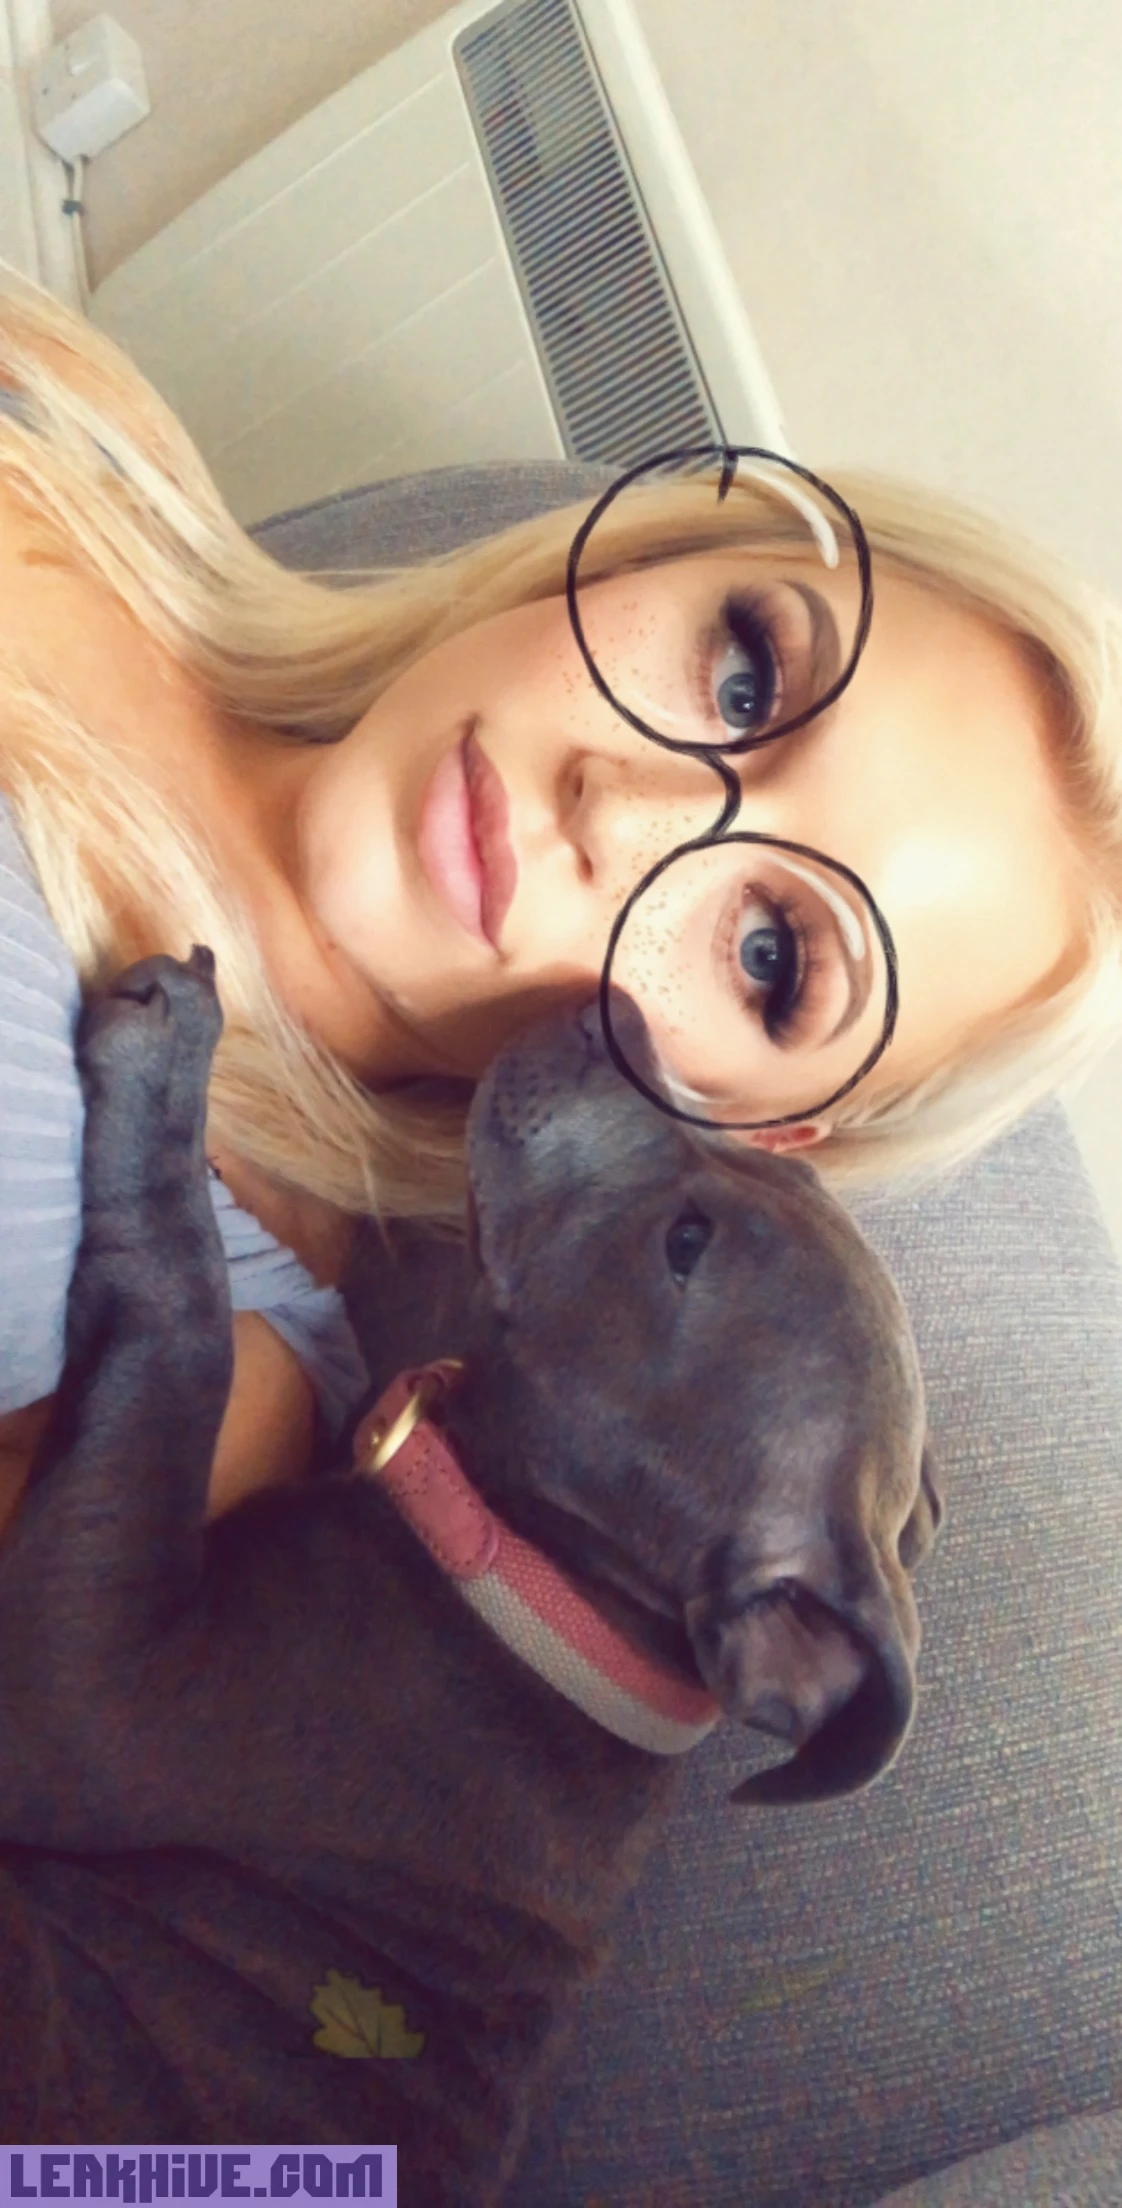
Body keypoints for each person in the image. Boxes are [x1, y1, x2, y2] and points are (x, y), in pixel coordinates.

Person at [0, 269, 1119, 1534]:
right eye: (745, 680)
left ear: (739, 1133)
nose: (618, 811)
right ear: (659, 557)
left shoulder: (194, 1395)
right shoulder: (81, 425)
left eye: (769, 955)